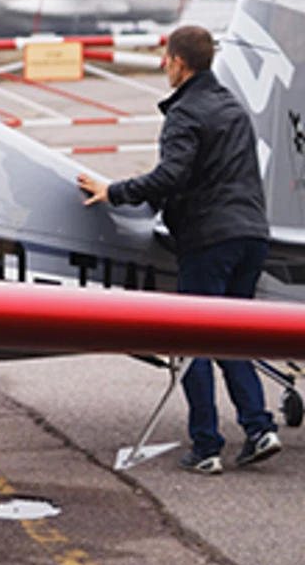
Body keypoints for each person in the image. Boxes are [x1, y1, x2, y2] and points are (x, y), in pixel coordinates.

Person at [78, 25, 280, 475]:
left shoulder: (185, 114)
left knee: (192, 343)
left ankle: (206, 446)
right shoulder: (233, 108)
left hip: (209, 241)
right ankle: (259, 428)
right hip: (252, 236)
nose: (162, 66)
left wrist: (114, 192)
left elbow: (171, 177)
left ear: (179, 62)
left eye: (165, 59)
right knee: (232, 336)